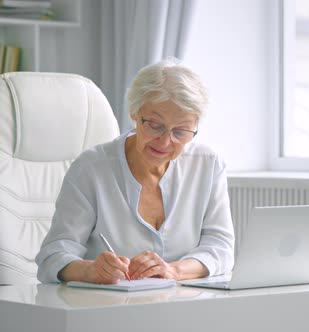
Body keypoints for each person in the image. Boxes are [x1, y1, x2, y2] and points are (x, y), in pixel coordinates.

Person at [35, 59, 235, 284]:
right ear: (134, 112)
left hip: (184, 304)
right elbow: (52, 258)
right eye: (155, 125)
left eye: (180, 131)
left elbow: (221, 248)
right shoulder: (91, 169)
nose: (166, 141)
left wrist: (173, 271)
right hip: (107, 310)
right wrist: (89, 270)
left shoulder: (208, 164)